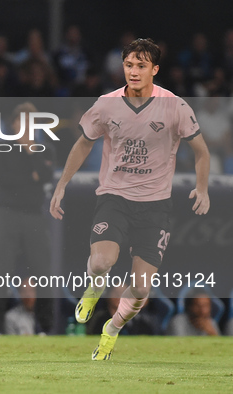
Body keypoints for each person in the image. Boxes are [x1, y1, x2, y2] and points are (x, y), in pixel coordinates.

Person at [50, 38, 210, 360]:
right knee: (101, 262)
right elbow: (83, 143)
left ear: (155, 69)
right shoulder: (106, 104)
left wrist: (203, 187)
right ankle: (93, 289)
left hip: (155, 206)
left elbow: (201, 151)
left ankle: (112, 329)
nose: (133, 71)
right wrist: (62, 184)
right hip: (115, 197)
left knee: (140, 290)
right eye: (128, 65)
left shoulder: (175, 106)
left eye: (140, 66)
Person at [0, 102, 55, 334]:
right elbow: (2, 179)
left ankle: (46, 328)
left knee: (43, 272)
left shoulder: (44, 149)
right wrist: (31, 176)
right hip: (8, 214)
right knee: (1, 272)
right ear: (14, 124)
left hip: (34, 216)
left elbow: (46, 176)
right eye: (23, 121)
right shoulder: (2, 148)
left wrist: (30, 153)